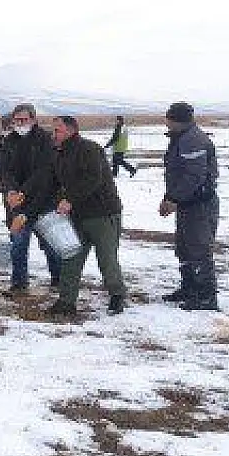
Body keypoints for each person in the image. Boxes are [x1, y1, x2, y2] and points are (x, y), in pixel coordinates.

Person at [50, 116, 128, 317]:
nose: (53, 134)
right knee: (71, 257)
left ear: (71, 131)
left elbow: (93, 178)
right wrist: (59, 200)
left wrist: (70, 199)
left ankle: (117, 295)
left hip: (103, 214)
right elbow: (57, 184)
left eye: (57, 130)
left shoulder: (89, 149)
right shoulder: (58, 154)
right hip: (77, 216)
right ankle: (66, 301)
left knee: (107, 260)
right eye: (53, 130)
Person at [159, 102, 221, 311]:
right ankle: (189, 288)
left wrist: (173, 199)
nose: (166, 122)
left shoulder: (193, 140)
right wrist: (171, 197)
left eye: (168, 118)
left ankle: (206, 297)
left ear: (176, 120)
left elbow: (193, 177)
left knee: (199, 249)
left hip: (199, 206)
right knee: (184, 248)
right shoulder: (182, 137)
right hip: (187, 203)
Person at [1, 103, 62, 293]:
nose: (20, 123)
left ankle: (59, 280)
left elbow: (44, 173)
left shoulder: (45, 140)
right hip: (18, 203)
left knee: (50, 244)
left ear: (33, 120)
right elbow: (7, 171)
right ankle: (19, 283)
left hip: (44, 200)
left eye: (24, 120)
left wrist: (23, 192)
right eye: (17, 120)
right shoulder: (9, 141)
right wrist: (11, 191)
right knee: (18, 243)